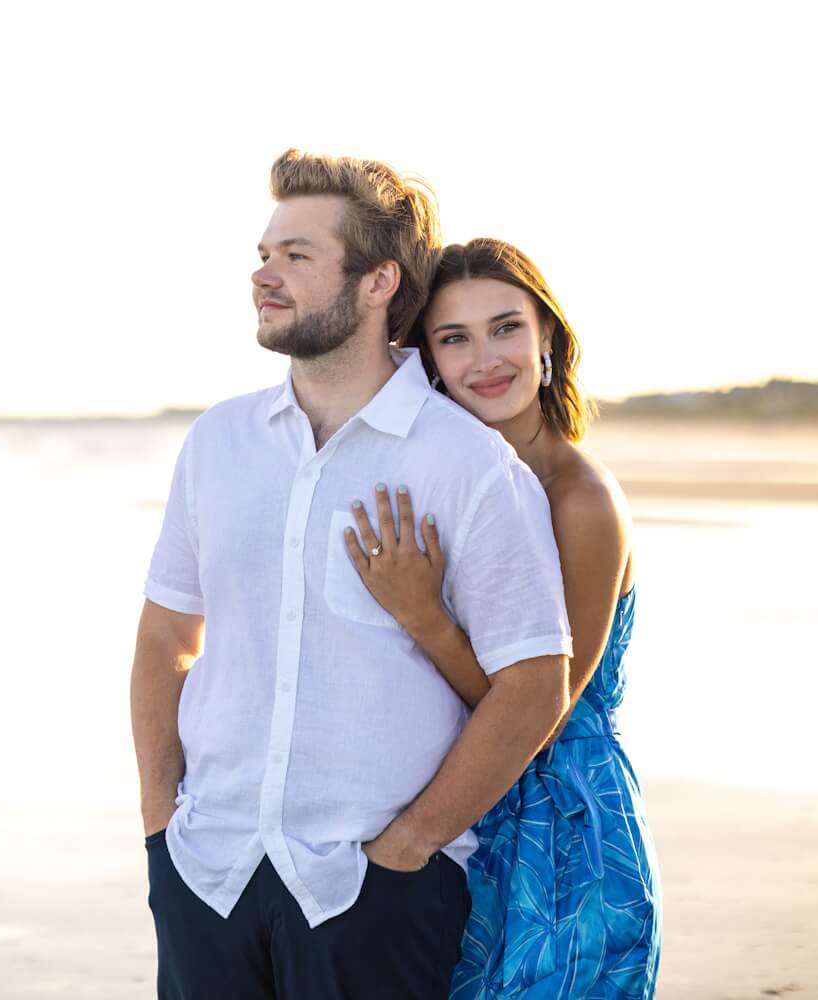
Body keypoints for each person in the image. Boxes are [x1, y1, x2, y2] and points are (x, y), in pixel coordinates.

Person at [130, 150, 575, 1000]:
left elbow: (535, 682)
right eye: (265, 255)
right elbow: (165, 633)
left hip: (373, 890)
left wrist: (411, 846)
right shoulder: (217, 443)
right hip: (207, 870)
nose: (266, 275)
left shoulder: (469, 465)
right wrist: (161, 821)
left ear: (378, 283)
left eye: (297, 257)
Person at [344, 238, 662, 997]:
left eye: (506, 327)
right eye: (455, 338)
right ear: (428, 360)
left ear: (546, 336)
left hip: (563, 825)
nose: (486, 358)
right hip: (468, 804)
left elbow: (540, 715)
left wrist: (424, 615)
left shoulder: (580, 501)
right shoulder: (459, 484)